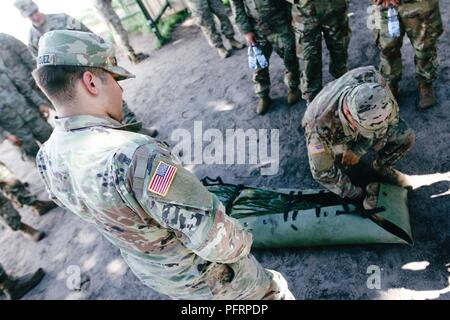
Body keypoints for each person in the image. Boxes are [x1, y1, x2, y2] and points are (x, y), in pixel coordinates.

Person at [33, 30, 294, 300]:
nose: (121, 89)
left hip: (168, 281)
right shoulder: (136, 154)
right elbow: (215, 239)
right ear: (91, 82)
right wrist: (244, 241)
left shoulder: (46, 158)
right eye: (114, 78)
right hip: (220, 282)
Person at [13, 0, 157, 136]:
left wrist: (104, 60)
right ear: (24, 16)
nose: (35, 16)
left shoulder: (63, 19)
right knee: (93, 111)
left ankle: (137, 129)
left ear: (37, 7)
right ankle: (119, 138)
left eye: (35, 11)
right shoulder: (32, 38)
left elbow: (90, 37)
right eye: (30, 15)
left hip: (89, 66)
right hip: (70, 82)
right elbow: (43, 67)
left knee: (113, 95)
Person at [302, 66, 415, 204]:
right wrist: (357, 194)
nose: (376, 133)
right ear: (349, 115)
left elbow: (393, 119)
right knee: (329, 165)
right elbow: (322, 173)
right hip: (336, 136)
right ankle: (344, 162)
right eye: (369, 130)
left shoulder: (374, 83)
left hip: (357, 128)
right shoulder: (318, 127)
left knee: (406, 137)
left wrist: (359, 150)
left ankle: (380, 167)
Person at [231, 0, 301, 115]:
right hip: (257, 29)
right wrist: (246, 31)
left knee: (290, 59)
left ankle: (293, 87)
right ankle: (263, 95)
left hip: (281, 24)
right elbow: (237, 6)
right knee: (259, 66)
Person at [371, 0, 443, 109]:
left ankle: (426, 84)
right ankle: (390, 84)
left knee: (424, 46)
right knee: (387, 47)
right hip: (384, 5)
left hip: (419, 4)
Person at [288, 0, 351, 104]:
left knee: (339, 50)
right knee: (309, 59)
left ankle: (343, 89)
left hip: (335, 9)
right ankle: (313, 100)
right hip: (305, 15)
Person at [0, 68, 53, 160]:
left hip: (31, 115)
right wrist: (6, 135)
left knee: (53, 142)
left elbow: (25, 89)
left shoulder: (3, 72)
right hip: (16, 129)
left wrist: (39, 103)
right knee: (36, 157)